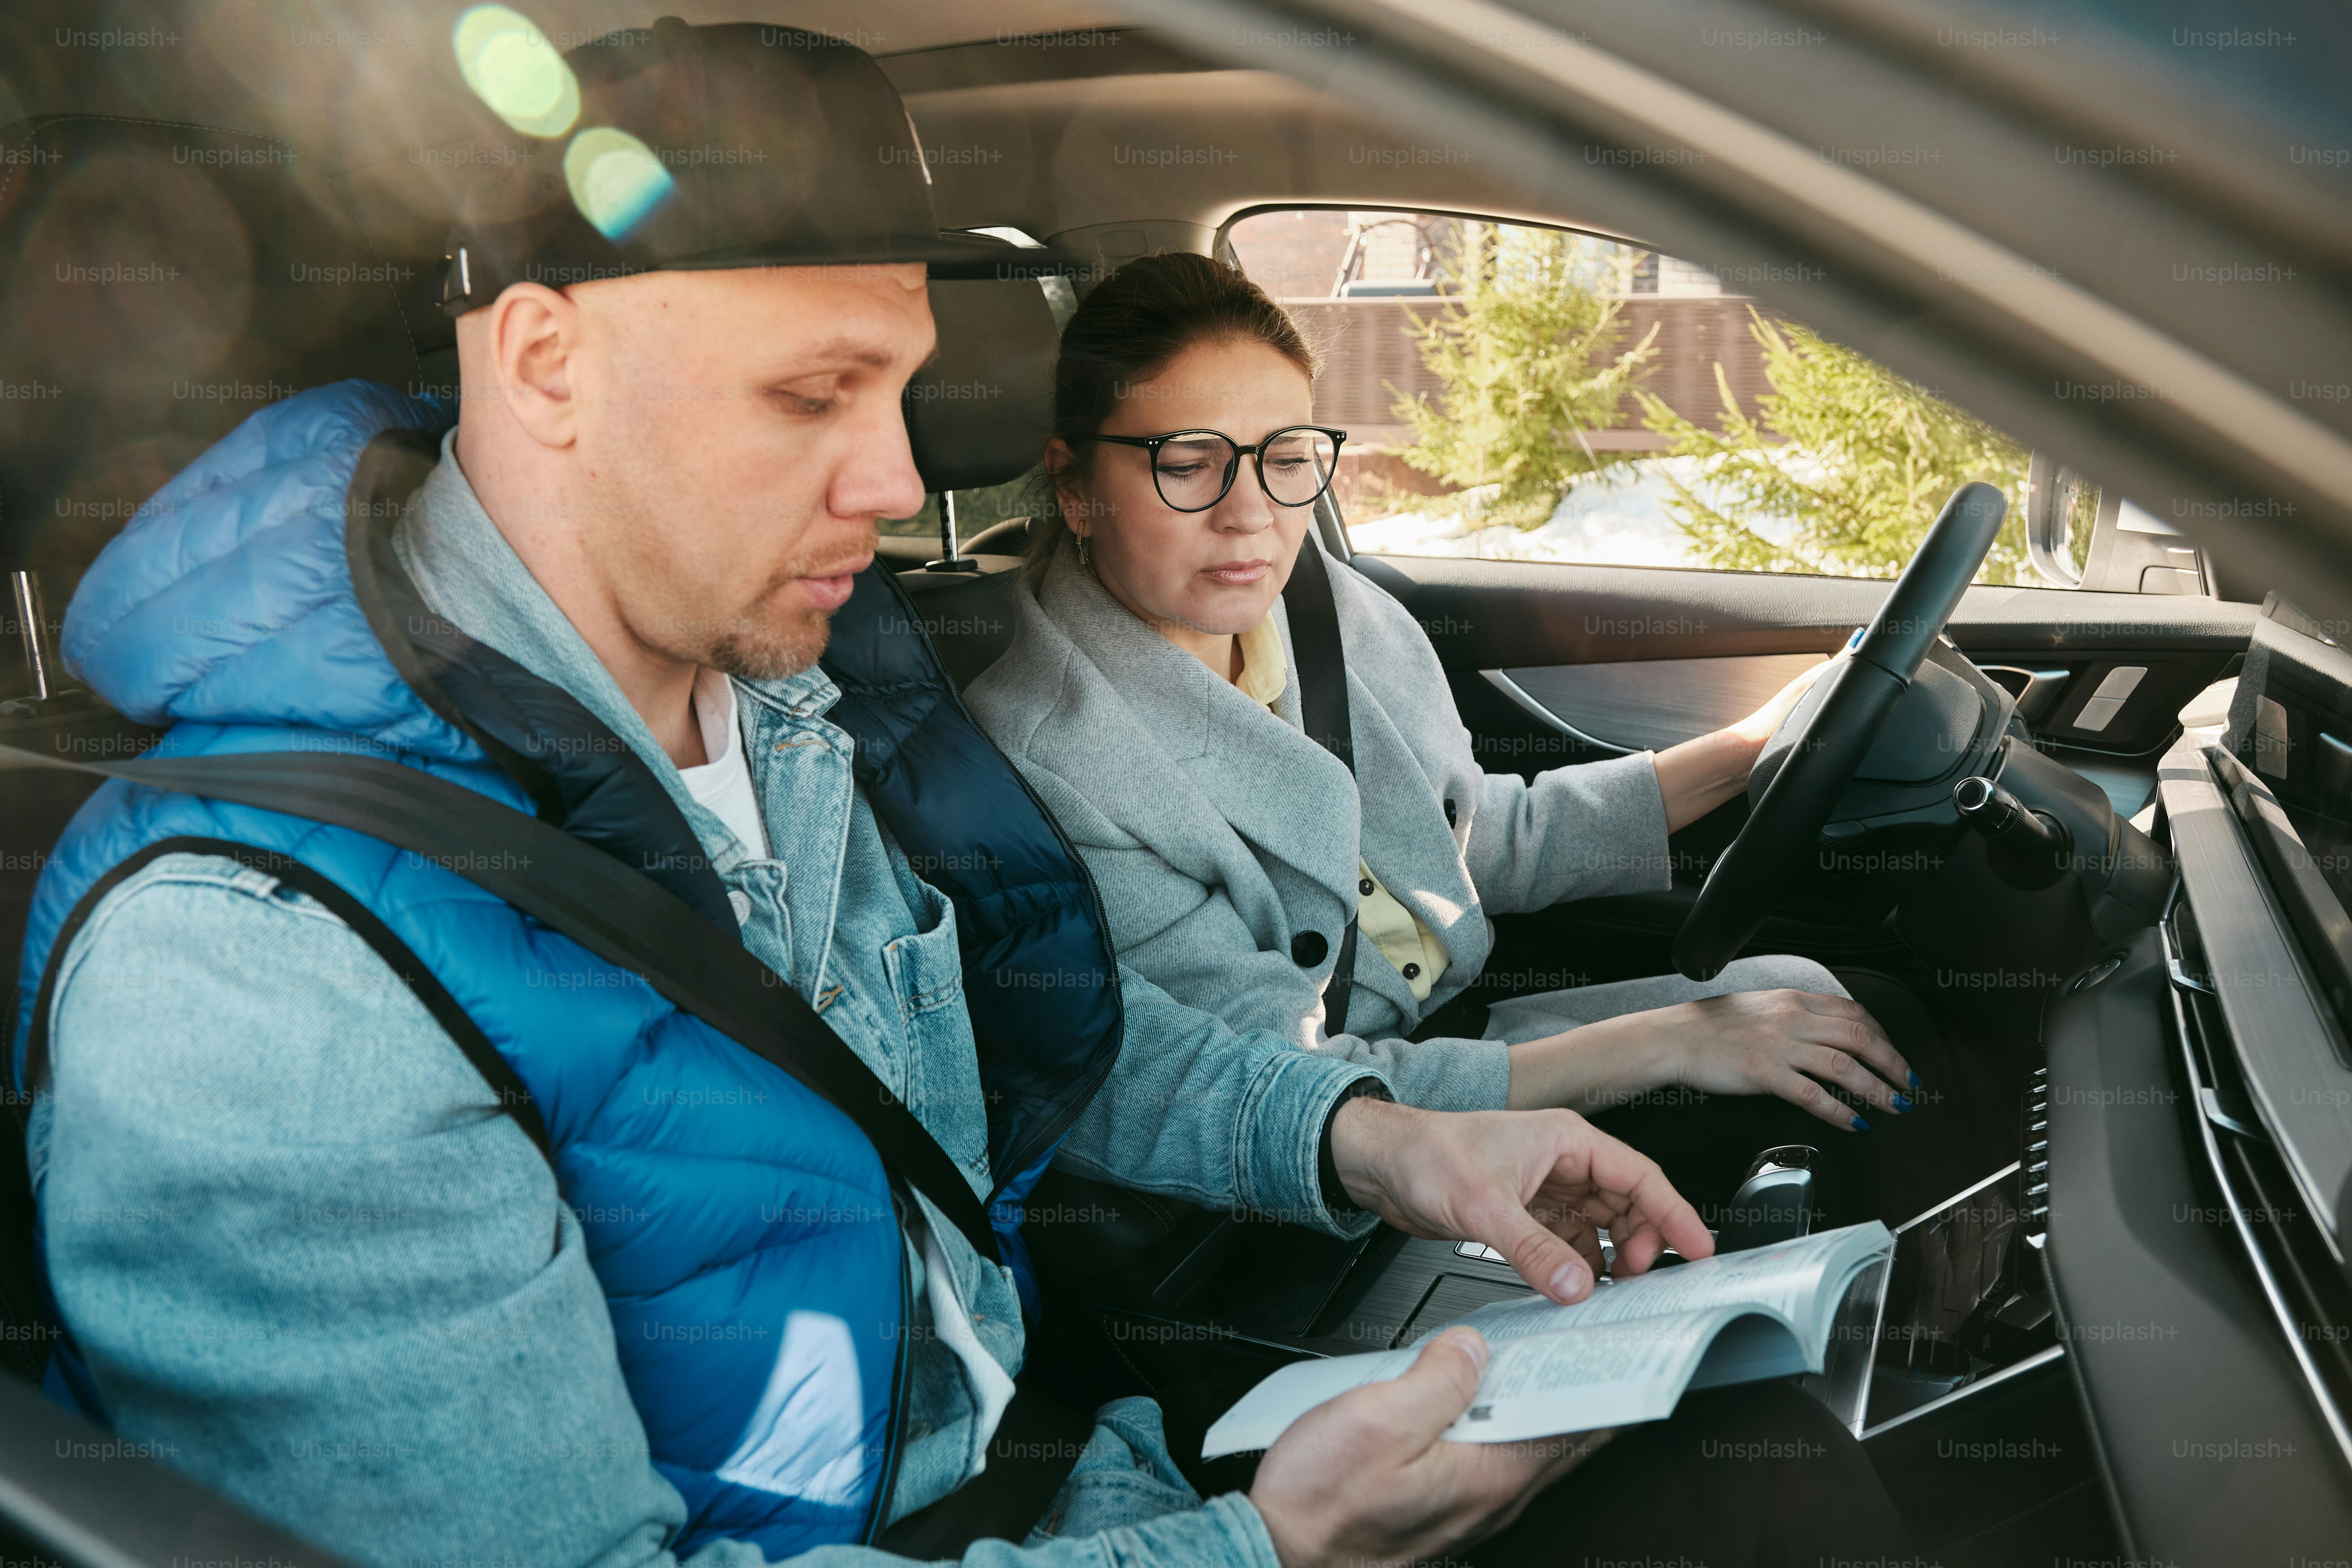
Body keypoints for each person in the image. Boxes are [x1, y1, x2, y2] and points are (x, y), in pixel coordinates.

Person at [8, 23, 1909, 1568]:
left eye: (901, 391)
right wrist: (1262, 1554)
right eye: (810, 395)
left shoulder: (785, 701)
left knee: (1761, 1454)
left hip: (1056, 1473)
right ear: (546, 361)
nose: (896, 483)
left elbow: (1030, 1050)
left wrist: (1374, 1142)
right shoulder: (257, 973)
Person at [967, 252, 1937, 1226]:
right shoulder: (1047, 758)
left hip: (1455, 1024)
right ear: (1074, 486)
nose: (1250, 513)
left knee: (1828, 1002)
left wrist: (1751, 746)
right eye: (1187, 464)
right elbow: (1292, 1087)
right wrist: (1674, 1040)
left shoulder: (1322, 609)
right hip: (1354, 1135)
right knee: (1827, 1084)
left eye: (1287, 457)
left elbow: (1463, 841)